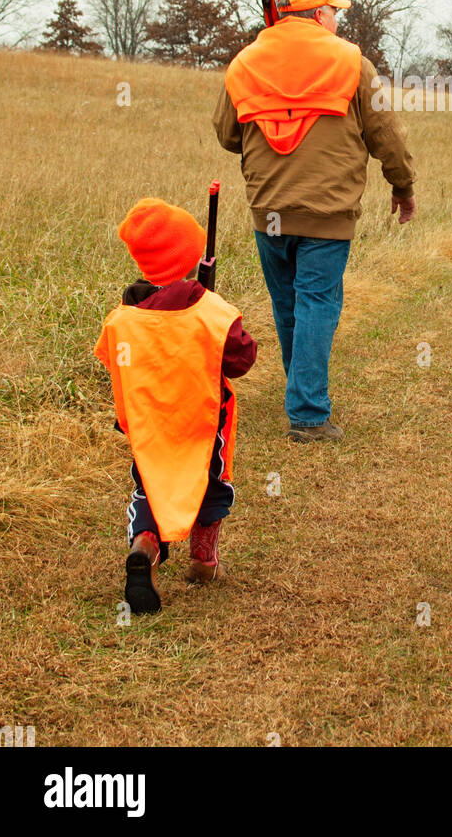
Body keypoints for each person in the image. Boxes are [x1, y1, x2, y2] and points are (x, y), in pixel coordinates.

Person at [213, 0, 415, 443]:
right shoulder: (352, 62)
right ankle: (307, 413)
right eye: (334, 12)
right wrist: (402, 186)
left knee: (290, 304)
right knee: (317, 303)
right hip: (328, 212)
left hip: (269, 209)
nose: (337, 20)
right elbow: (386, 133)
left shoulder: (245, 62)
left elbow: (227, 133)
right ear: (319, 15)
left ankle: (301, 391)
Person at [94, 197, 256, 614]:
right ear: (190, 259)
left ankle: (144, 549)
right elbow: (242, 359)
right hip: (204, 425)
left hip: (150, 430)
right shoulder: (212, 312)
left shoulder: (122, 318)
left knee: (150, 489)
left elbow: (112, 357)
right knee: (210, 483)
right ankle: (203, 560)